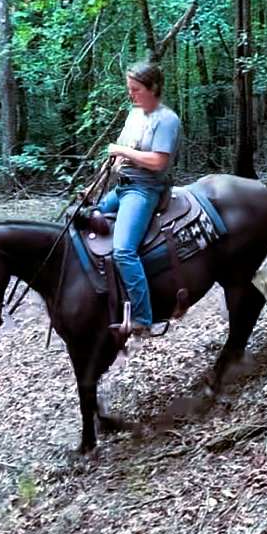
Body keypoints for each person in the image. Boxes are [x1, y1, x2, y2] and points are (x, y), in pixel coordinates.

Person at [95, 61, 181, 335]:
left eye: (136, 89)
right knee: (88, 218)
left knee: (123, 250)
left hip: (144, 190)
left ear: (153, 88)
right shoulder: (134, 115)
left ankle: (143, 318)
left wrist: (122, 150)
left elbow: (158, 161)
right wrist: (94, 185)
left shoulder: (167, 119)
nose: (131, 94)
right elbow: (117, 155)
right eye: (129, 89)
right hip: (122, 186)